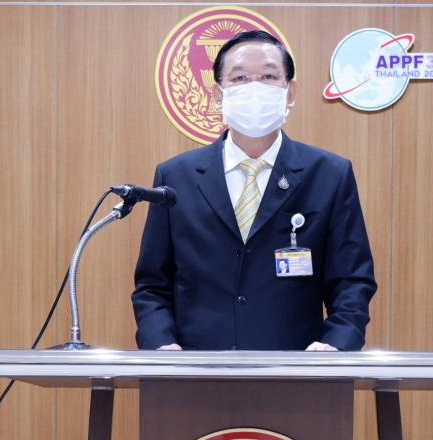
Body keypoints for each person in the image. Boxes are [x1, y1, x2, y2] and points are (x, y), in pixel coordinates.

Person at [133, 30, 376, 351]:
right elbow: (152, 285)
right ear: (218, 94)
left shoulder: (330, 174)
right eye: (240, 78)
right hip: (195, 369)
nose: (255, 88)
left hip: (298, 368)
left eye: (269, 76)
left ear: (290, 92)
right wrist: (161, 343)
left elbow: (352, 281)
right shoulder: (175, 176)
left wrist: (336, 345)